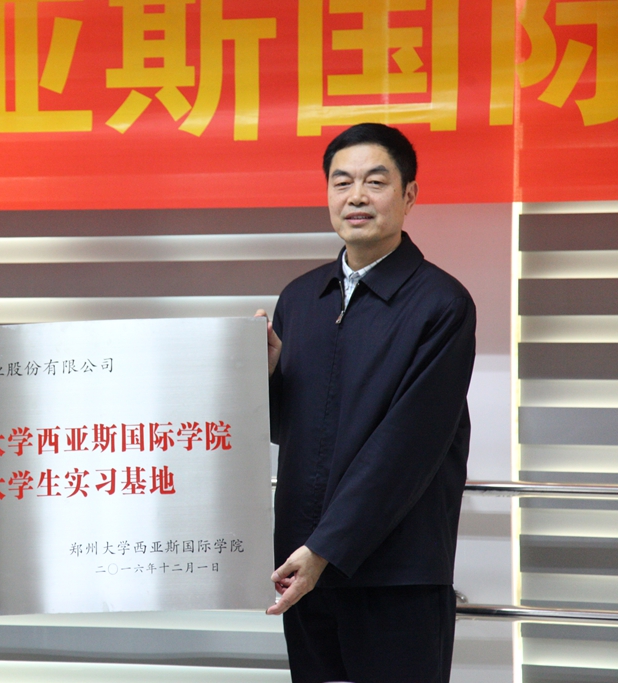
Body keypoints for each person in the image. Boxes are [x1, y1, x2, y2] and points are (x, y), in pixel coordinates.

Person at [257, 123, 476, 683]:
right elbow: (292, 429)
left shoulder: (441, 304)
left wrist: (325, 548)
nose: (356, 196)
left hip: (396, 575)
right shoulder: (300, 297)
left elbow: (408, 447)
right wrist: (268, 374)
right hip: (304, 567)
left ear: (408, 195)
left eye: (375, 182)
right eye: (342, 182)